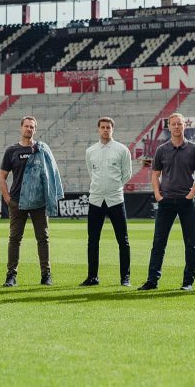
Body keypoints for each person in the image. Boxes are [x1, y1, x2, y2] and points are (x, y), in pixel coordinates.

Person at [138, 112, 195, 292]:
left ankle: (188, 282)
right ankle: (152, 280)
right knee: (159, 242)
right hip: (166, 201)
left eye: (180, 124)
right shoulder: (161, 150)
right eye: (173, 124)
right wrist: (158, 195)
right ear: (169, 127)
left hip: (187, 201)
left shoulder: (194, 149)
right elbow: (155, 175)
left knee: (190, 242)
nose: (177, 127)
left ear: (185, 126)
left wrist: (190, 195)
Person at [0, 116, 64, 287]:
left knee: (43, 238)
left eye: (32, 127)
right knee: (14, 238)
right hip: (17, 201)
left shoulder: (42, 149)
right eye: (26, 126)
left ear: (35, 130)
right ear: (21, 128)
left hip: (39, 202)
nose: (29, 129)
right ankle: (11, 276)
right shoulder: (11, 151)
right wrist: (7, 197)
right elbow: (2, 176)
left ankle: (46, 275)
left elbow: (52, 174)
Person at [80, 116, 133, 288]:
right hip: (95, 199)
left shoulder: (122, 150)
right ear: (98, 129)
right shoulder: (90, 151)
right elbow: (91, 172)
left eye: (108, 127)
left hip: (115, 199)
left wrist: (113, 186)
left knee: (123, 240)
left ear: (112, 129)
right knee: (92, 240)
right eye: (102, 127)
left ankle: (125, 278)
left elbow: (127, 174)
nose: (105, 130)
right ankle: (92, 277)